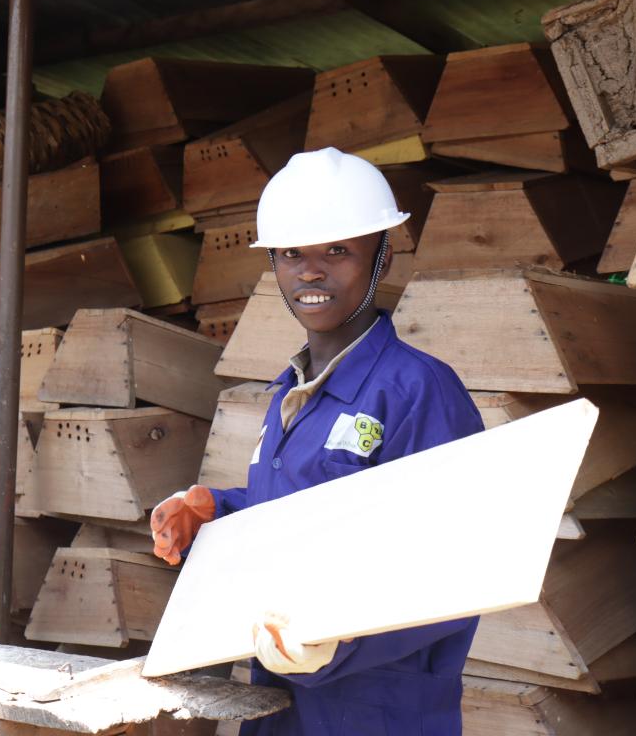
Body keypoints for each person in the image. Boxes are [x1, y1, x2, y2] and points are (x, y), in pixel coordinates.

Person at [151, 148, 484, 735]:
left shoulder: (417, 390)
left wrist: (338, 647)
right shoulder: (291, 393)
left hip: (377, 710)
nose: (310, 271)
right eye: (290, 255)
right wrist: (216, 512)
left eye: (338, 251)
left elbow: (458, 560)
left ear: (380, 256)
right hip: (281, 703)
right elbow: (304, 517)